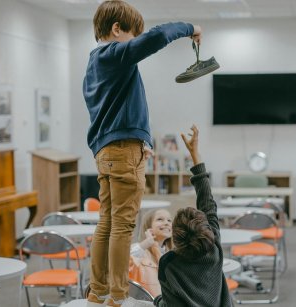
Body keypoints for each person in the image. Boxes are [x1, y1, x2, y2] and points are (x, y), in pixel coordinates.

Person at [83, 1, 202, 306]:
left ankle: (98, 292)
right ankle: (119, 296)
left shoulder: (94, 63)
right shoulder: (116, 54)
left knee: (106, 223)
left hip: (107, 151)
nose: (135, 41)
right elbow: (157, 36)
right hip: (123, 152)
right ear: (116, 29)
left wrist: (139, 138)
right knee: (123, 225)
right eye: (131, 34)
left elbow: (111, 113)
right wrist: (191, 28)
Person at [154, 125, 232, 307]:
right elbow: (207, 201)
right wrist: (195, 154)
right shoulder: (214, 248)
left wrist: (158, 301)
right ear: (207, 231)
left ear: (175, 237)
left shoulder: (168, 263)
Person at [129, 209, 173, 297]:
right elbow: (123, 263)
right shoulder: (140, 249)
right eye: (160, 219)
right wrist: (146, 243)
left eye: (169, 220)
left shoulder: (171, 254)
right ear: (149, 226)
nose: (166, 223)